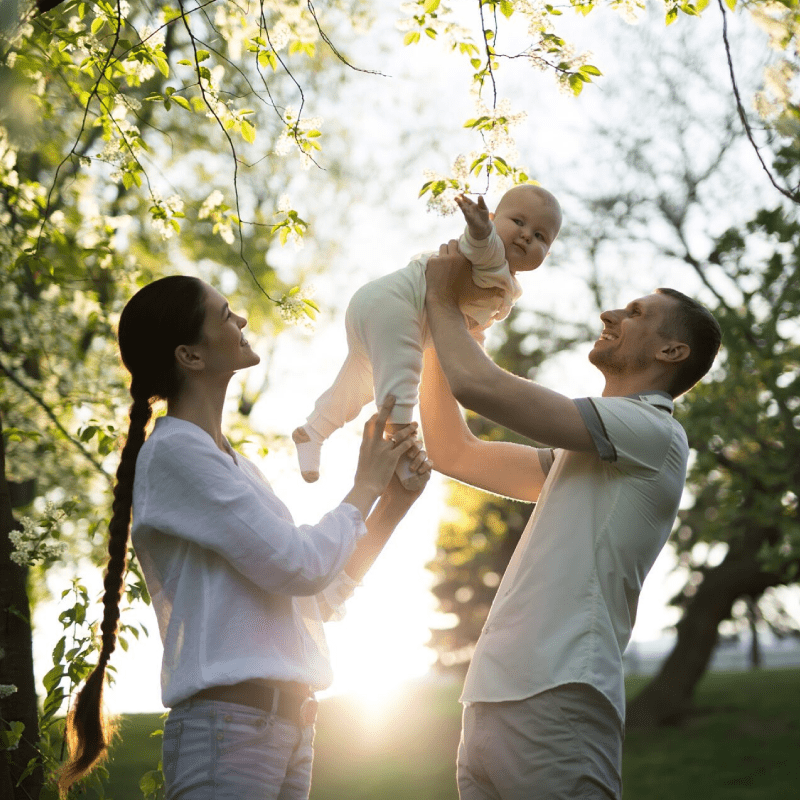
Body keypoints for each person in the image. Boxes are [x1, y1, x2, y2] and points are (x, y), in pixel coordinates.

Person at [58, 275, 432, 800]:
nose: (241, 321)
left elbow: (313, 596)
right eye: (225, 314)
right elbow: (296, 564)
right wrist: (364, 486)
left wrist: (393, 502)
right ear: (190, 355)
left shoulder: (231, 464)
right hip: (228, 731)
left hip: (286, 727)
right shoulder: (175, 456)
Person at [420, 241, 722, 800]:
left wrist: (440, 300)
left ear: (672, 351)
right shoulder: (578, 457)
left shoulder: (654, 434)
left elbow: (480, 387)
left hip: (560, 696)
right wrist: (446, 330)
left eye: (635, 313)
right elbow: (452, 452)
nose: (609, 315)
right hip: (489, 702)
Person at [292, 185, 562, 488]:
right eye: (518, 222)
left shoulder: (506, 285)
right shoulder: (492, 254)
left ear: (547, 253)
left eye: (540, 236)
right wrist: (479, 227)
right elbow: (479, 244)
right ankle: (402, 446)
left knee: (360, 384)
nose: (526, 235)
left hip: (376, 308)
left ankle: (313, 431)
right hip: (396, 305)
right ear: (493, 217)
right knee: (402, 377)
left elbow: (469, 336)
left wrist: (477, 366)